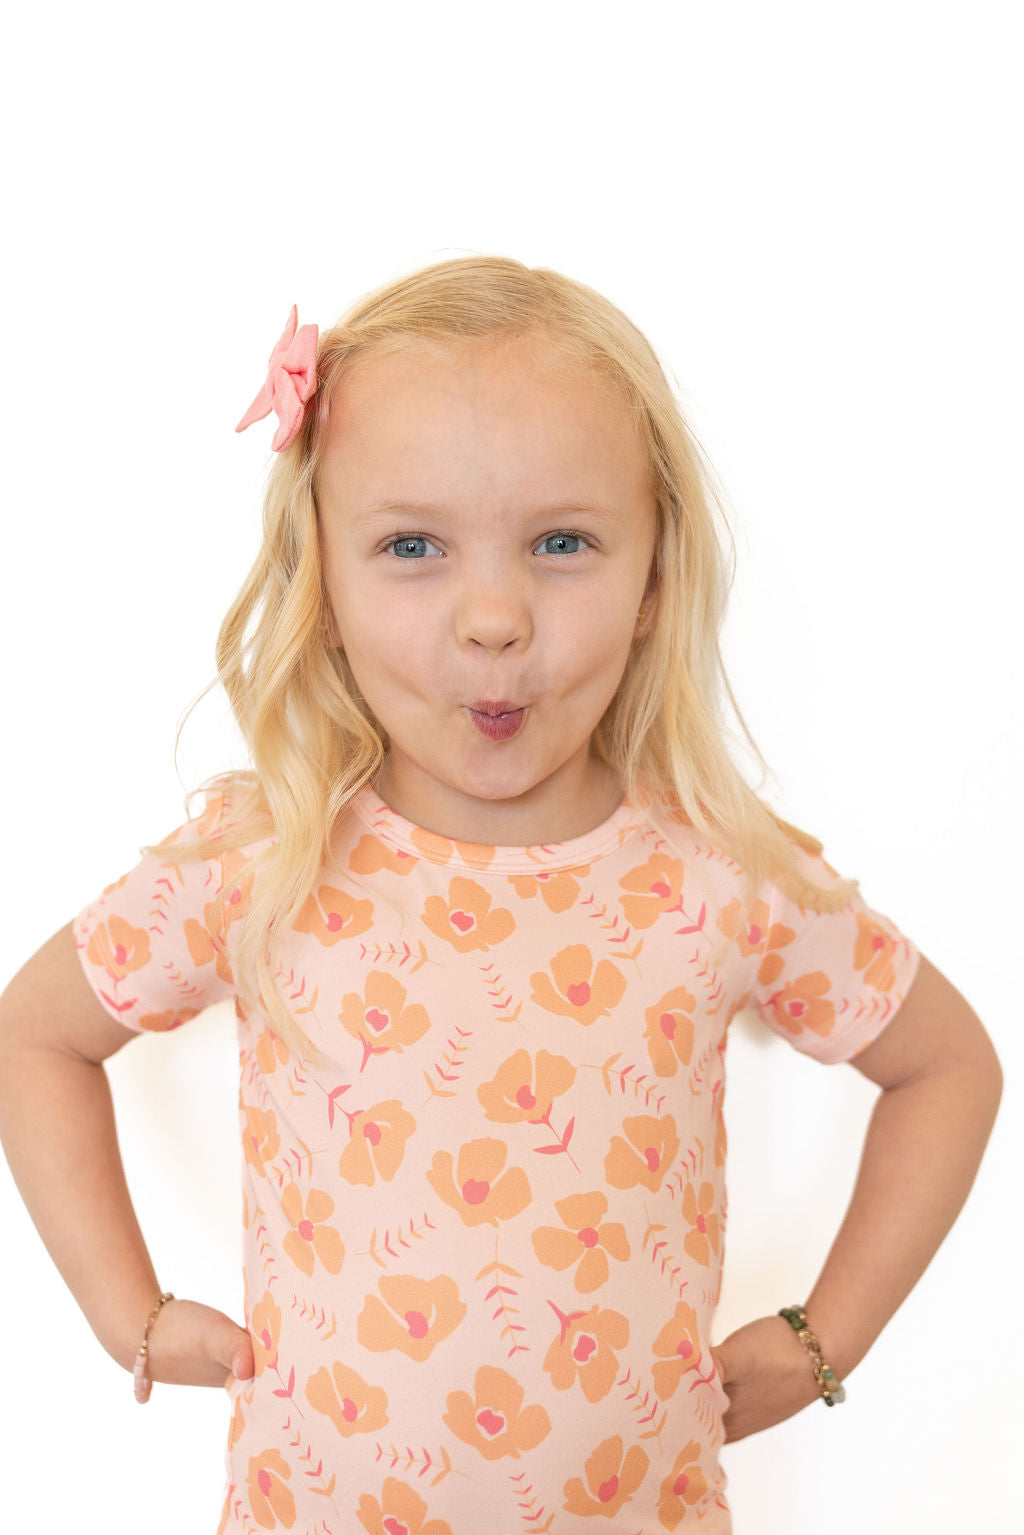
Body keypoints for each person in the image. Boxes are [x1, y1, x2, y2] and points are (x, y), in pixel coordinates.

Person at [0, 255, 1002, 1535]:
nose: (492, 616)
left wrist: (827, 1336)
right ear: (322, 580)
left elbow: (947, 1068)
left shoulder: (720, 872)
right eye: (411, 546)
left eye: (561, 542)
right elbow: (34, 1036)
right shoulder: (263, 858)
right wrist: (124, 1312)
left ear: (653, 579)